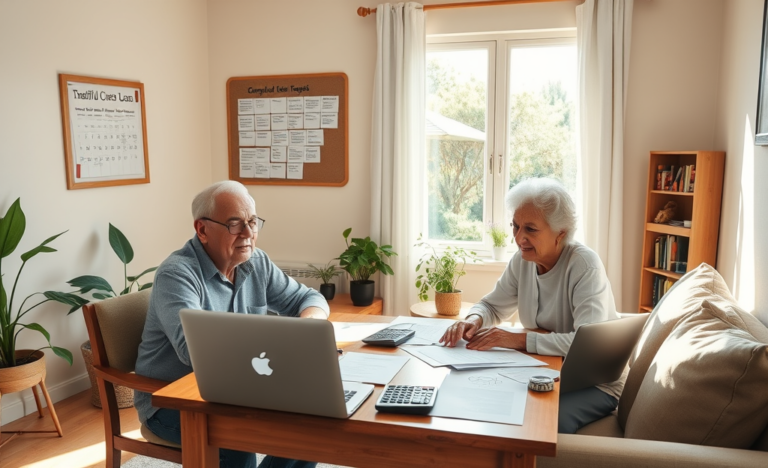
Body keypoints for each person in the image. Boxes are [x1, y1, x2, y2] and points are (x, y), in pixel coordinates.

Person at [135, 180, 327, 468]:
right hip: (173, 402)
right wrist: (276, 343)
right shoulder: (177, 274)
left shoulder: (256, 262)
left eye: (253, 222)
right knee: (237, 445)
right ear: (202, 230)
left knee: (311, 424)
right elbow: (195, 352)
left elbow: (309, 298)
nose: (248, 234)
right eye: (236, 224)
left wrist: (307, 327)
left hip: (239, 391)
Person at [439, 178, 622, 434]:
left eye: (531, 229)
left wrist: (517, 340)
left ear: (561, 233)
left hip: (593, 383)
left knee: (537, 422)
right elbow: (492, 306)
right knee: (481, 398)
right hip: (544, 370)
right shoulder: (522, 260)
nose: (519, 237)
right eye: (515, 226)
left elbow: (586, 344)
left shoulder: (583, 265)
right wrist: (475, 319)